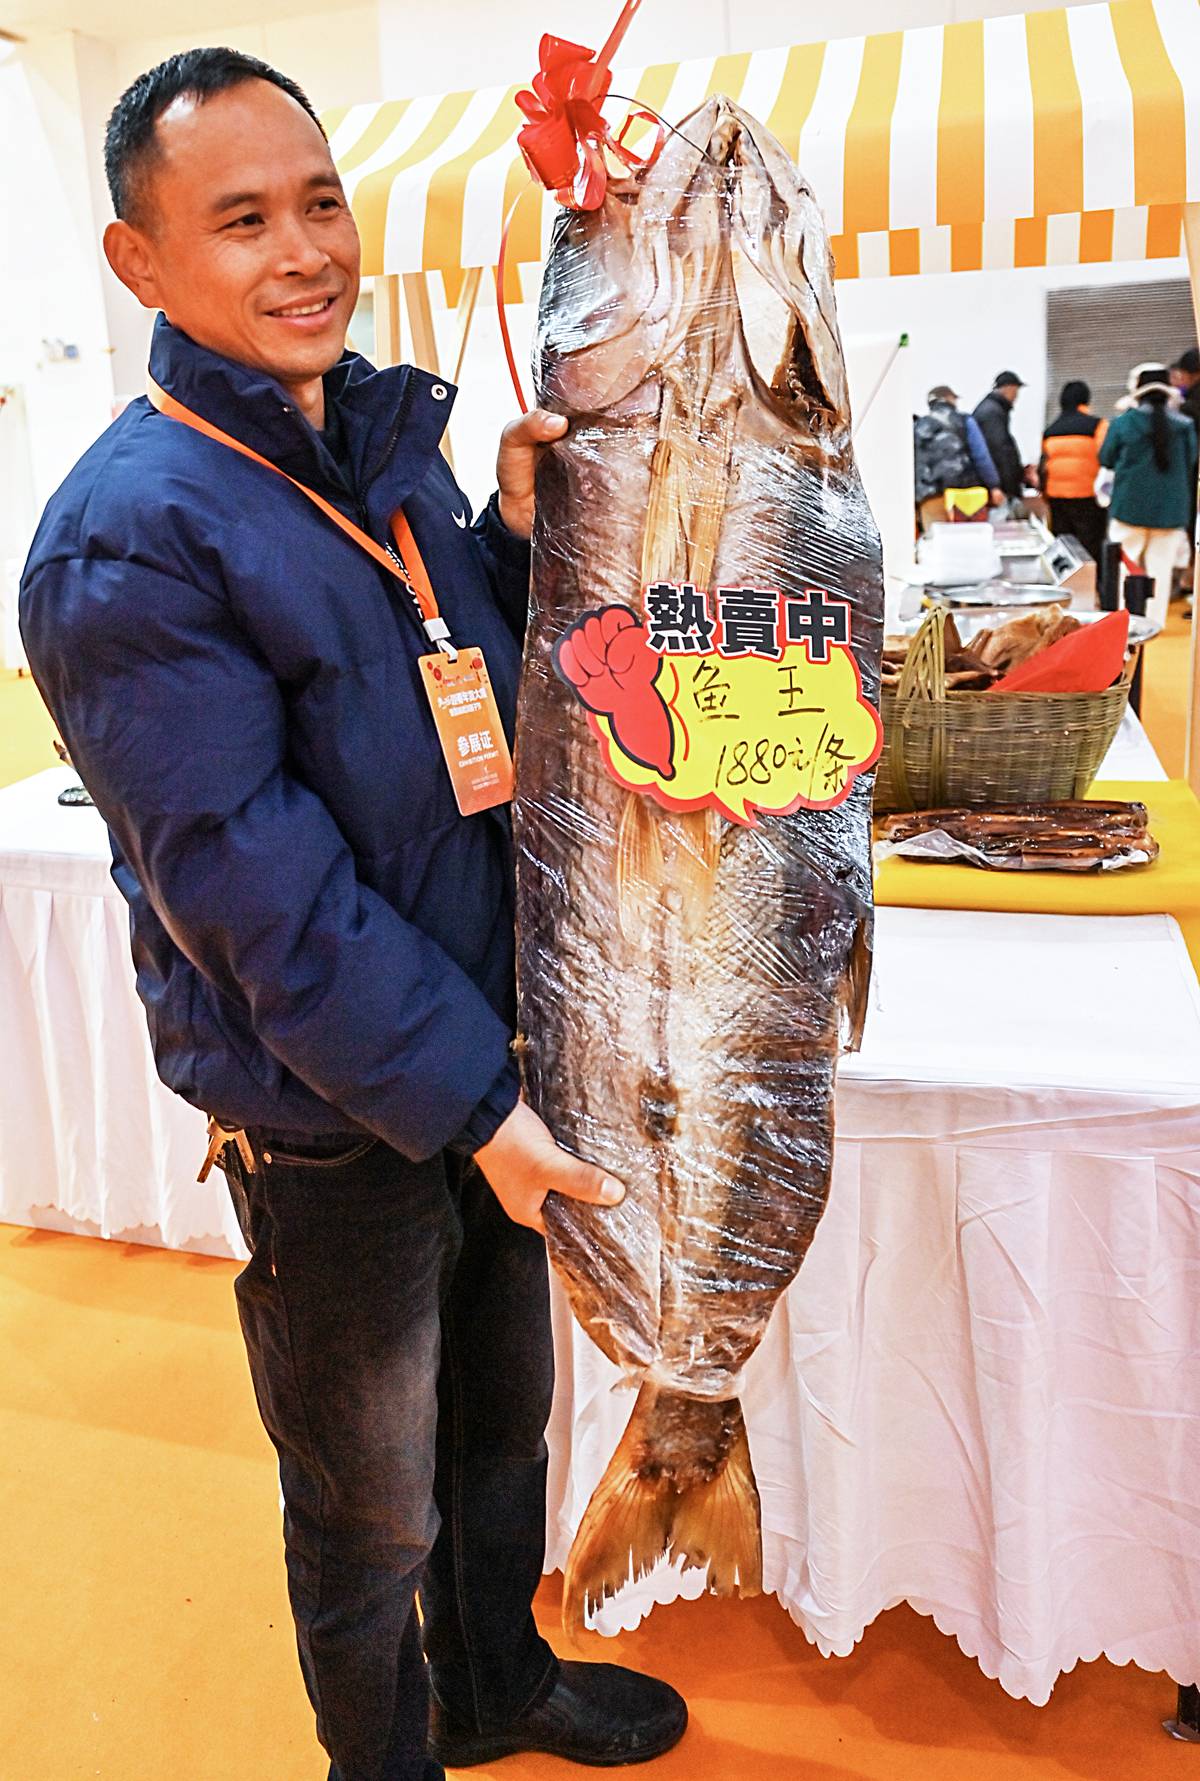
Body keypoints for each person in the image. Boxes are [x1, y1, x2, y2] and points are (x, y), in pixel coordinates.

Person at [18, 49, 687, 1781]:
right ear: (140, 261)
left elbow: (467, 710)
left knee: (500, 1425)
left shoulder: (374, 454)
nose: (306, 249)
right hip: (332, 1111)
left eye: (320, 202)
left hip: (488, 1055)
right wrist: (479, 1107)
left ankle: (493, 1685)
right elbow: (264, 899)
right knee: (367, 1492)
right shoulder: (127, 539)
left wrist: (514, 541)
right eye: (242, 219)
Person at [1099, 363, 1198, 628]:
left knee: (1125, 567)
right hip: (1171, 510)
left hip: (1128, 508)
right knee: (1160, 570)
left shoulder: (1122, 423)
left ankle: (1123, 622)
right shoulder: (1185, 426)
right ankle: (1153, 624)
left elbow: (1105, 458)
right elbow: (1191, 462)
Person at [912, 383, 1000, 530]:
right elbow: (981, 456)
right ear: (949, 398)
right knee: (965, 538)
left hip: (929, 496)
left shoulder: (919, 426)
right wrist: (994, 485)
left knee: (936, 539)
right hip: (963, 497)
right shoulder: (965, 421)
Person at [1039, 379, 1108, 563]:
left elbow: (1043, 467)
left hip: (1057, 498)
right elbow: (1107, 458)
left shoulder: (1050, 431)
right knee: (1091, 547)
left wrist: (1045, 495)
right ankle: (1092, 580)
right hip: (1088, 497)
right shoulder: (1097, 426)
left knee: (1064, 548)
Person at [972, 370, 1031, 508]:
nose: (1016, 396)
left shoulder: (991, 409)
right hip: (1000, 487)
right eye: (1016, 391)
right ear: (1008, 388)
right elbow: (1000, 450)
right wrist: (1008, 486)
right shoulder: (993, 412)